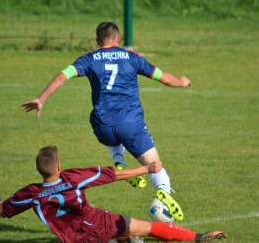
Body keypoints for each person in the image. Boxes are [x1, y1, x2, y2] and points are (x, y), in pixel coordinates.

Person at [21, 22, 192, 222]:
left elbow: (61, 76)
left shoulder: (89, 59)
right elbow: (163, 78)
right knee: (156, 165)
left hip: (102, 128)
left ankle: (119, 161)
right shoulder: (132, 57)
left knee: (110, 128)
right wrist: (182, 82)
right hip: (131, 125)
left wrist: (41, 99)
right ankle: (164, 191)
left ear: (97, 41)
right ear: (118, 39)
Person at [0, 146, 226, 243]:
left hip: (72, 240)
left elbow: (3, 210)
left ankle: (124, 238)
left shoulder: (30, 193)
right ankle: (199, 237)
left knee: (127, 230)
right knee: (146, 227)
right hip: (99, 225)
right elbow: (114, 175)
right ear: (59, 167)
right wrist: (147, 169)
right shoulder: (73, 178)